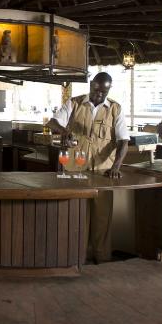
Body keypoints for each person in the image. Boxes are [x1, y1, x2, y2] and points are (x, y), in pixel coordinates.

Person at [48, 72, 129, 264]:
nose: (99, 94)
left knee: (102, 217)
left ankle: (102, 258)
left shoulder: (115, 109)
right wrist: (64, 131)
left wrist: (116, 167)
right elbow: (52, 122)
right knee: (78, 215)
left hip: (102, 172)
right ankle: (78, 257)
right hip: (75, 170)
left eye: (104, 92)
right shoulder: (74, 103)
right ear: (91, 84)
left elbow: (123, 141)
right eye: (96, 89)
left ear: (109, 90)